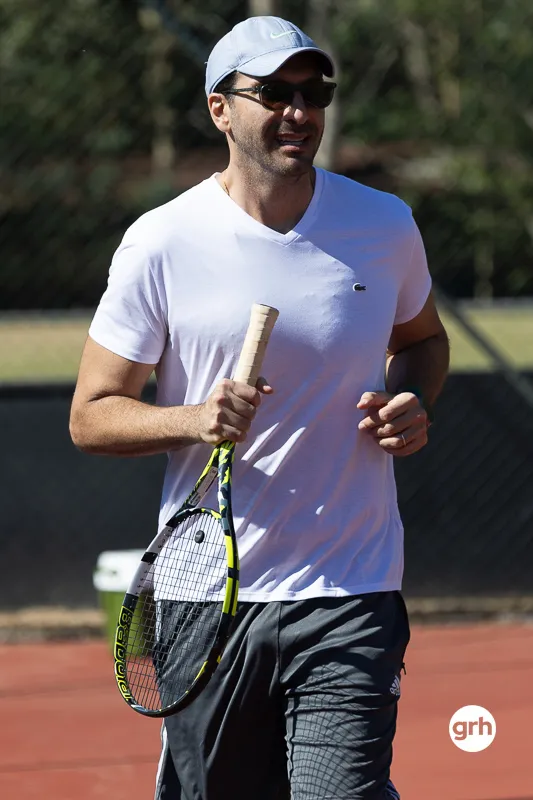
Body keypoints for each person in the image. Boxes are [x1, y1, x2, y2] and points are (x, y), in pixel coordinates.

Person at [70, 15, 449, 800]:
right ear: (220, 108)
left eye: (314, 93)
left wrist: (411, 395)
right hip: (207, 601)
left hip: (350, 589)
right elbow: (92, 415)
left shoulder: (383, 225)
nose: (299, 111)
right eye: (274, 93)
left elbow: (422, 339)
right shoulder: (161, 241)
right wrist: (191, 419)